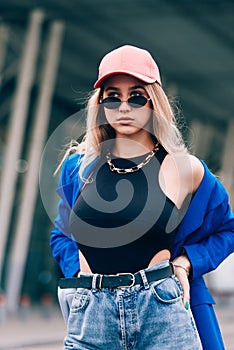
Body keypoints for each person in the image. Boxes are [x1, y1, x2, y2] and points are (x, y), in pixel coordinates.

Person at [50, 45, 234, 349]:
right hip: (92, 314)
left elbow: (227, 229)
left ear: (154, 103)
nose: (124, 107)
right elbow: (61, 236)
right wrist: (81, 277)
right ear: (100, 103)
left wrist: (186, 263)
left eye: (136, 97)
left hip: (161, 310)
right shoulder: (78, 168)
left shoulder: (184, 169)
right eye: (112, 96)